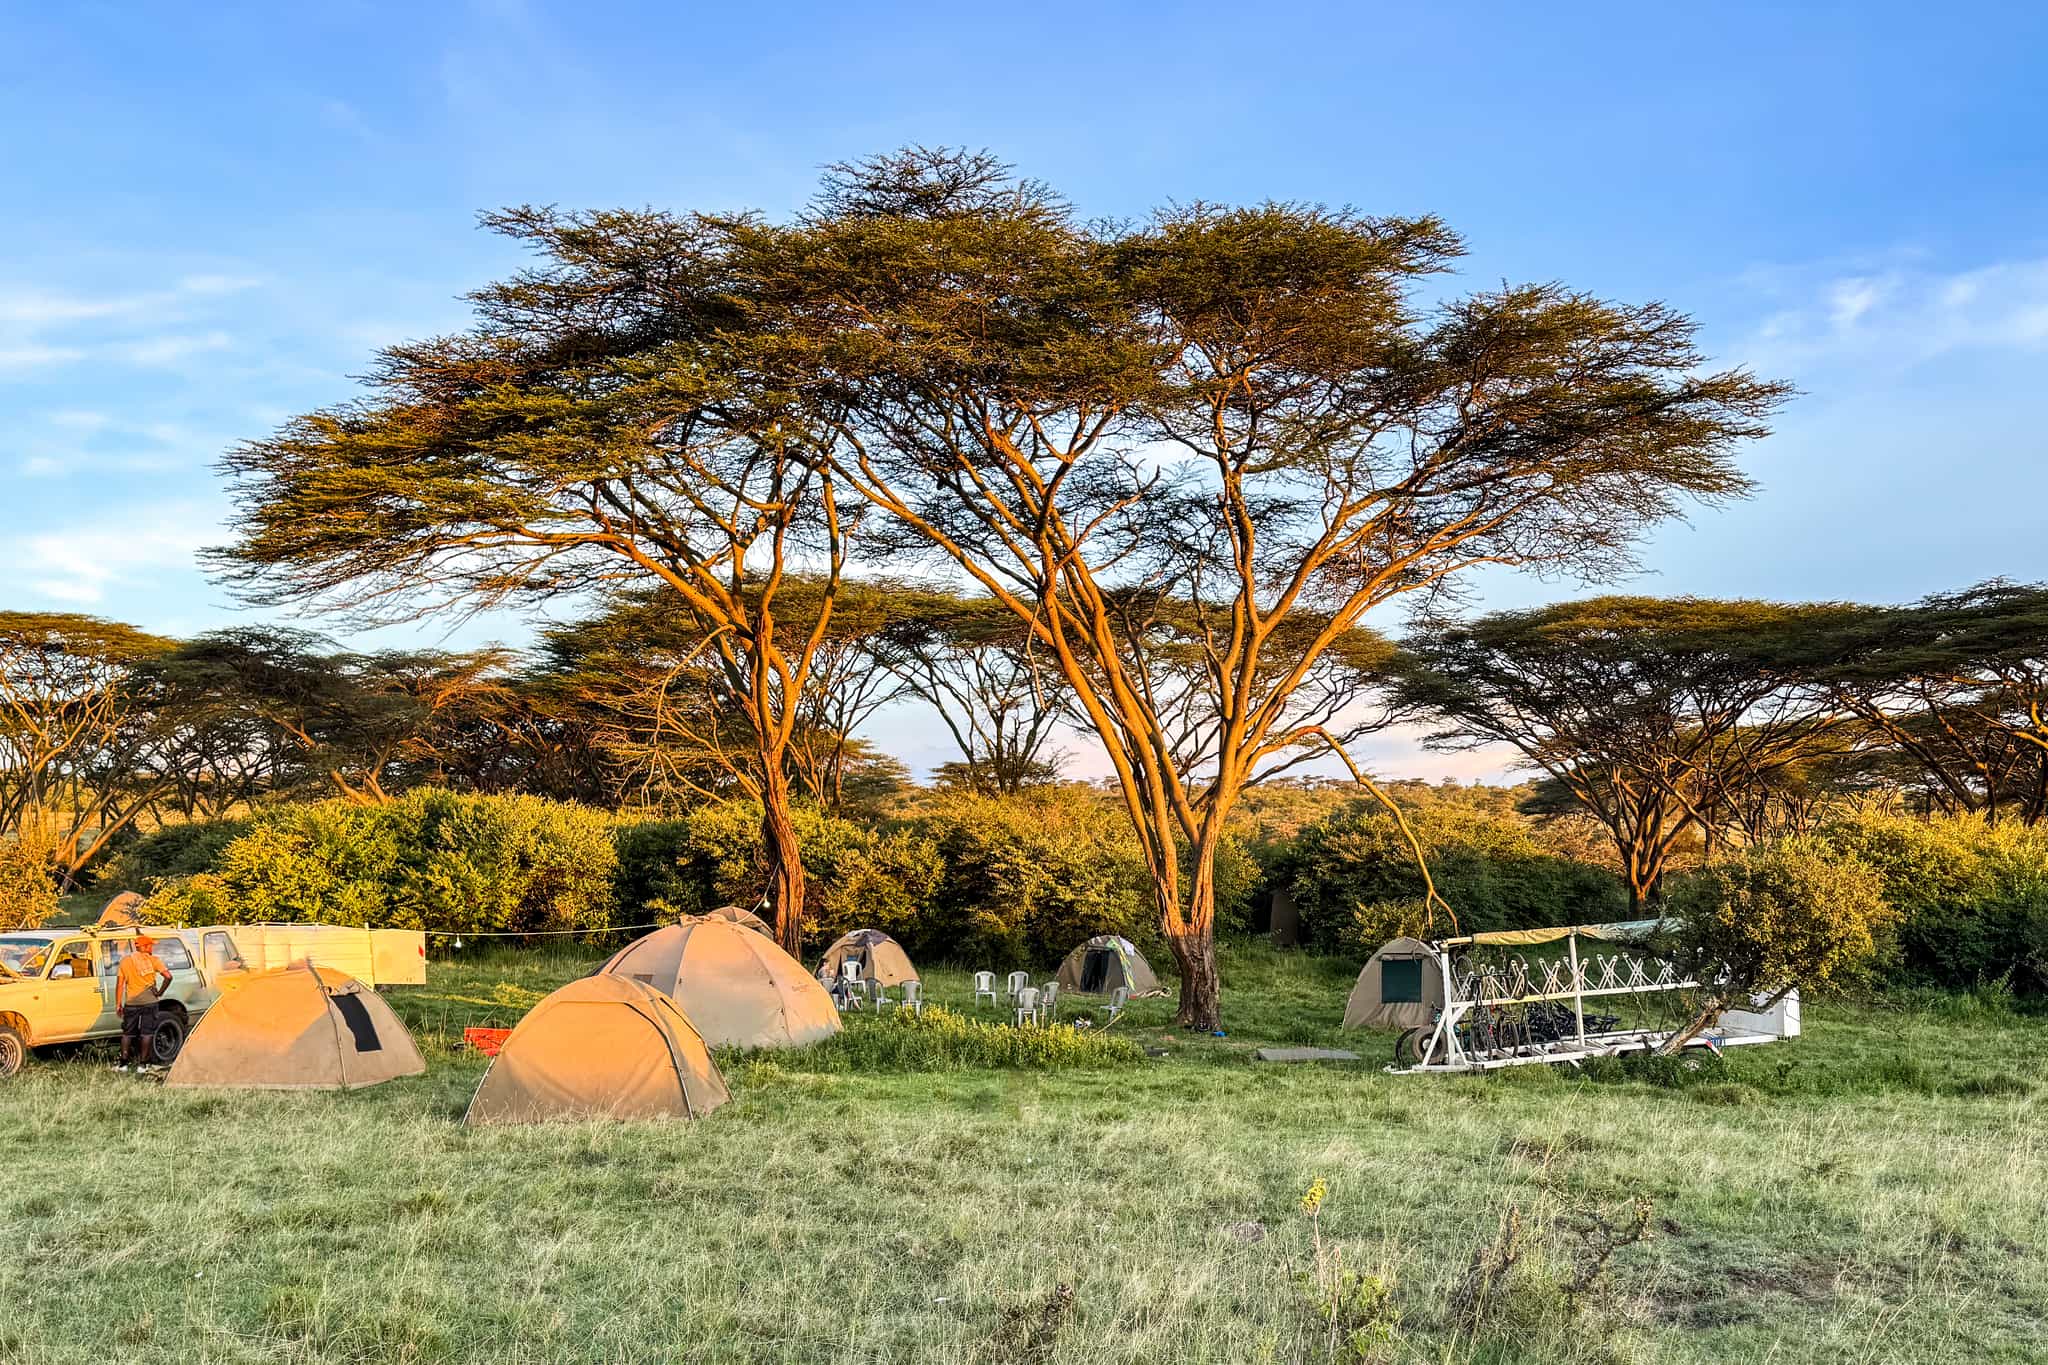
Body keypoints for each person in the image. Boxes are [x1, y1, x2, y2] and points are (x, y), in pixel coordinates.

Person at [114, 935, 173, 1074]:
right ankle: (143, 1065)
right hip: (150, 1002)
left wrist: (118, 1004)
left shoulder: (125, 961)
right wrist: (160, 992)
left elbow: (120, 984)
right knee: (147, 1033)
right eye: (150, 945)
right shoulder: (154, 960)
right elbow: (168, 976)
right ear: (144, 947)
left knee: (128, 1034)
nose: (152, 948)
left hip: (131, 1003)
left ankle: (123, 1065)